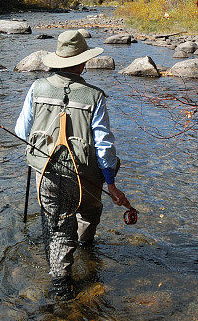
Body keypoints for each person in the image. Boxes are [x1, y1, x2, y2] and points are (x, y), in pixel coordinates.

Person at [15, 29, 129, 299]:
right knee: (88, 213)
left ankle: (61, 285)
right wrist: (110, 183)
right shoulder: (95, 96)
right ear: (83, 62)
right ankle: (87, 249)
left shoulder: (37, 88)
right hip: (84, 175)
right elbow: (104, 147)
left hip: (45, 172)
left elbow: (22, 131)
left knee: (56, 226)